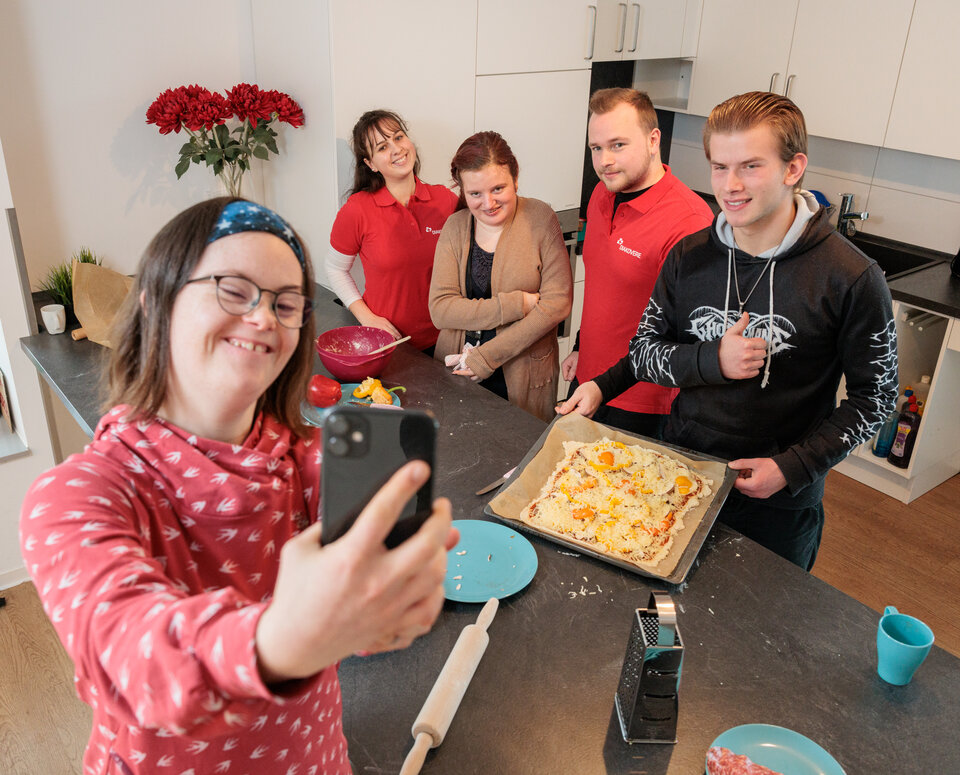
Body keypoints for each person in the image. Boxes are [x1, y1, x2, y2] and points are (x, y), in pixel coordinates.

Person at [19, 198, 457, 774]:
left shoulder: (310, 467)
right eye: (233, 289)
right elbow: (128, 657)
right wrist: (279, 640)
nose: (263, 318)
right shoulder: (78, 495)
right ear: (156, 306)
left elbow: (360, 624)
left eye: (285, 303)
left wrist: (388, 602)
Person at [560, 91, 898, 570]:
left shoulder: (852, 277)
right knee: (666, 612)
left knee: (759, 637)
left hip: (778, 504)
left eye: (751, 166)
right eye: (720, 167)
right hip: (681, 473)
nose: (731, 185)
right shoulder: (690, 256)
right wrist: (699, 362)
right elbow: (645, 352)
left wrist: (794, 467)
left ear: (793, 168)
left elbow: (877, 398)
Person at [561, 87, 714, 438]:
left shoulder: (689, 222)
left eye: (618, 145)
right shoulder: (603, 193)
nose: (604, 161)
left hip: (642, 400)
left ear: (652, 139)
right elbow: (606, 290)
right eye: (596, 148)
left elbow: (685, 334)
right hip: (587, 380)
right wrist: (581, 346)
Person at [429, 131, 572, 422]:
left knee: (521, 456)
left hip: (523, 373)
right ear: (462, 191)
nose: (488, 203)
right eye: (475, 194)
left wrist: (486, 356)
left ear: (515, 179)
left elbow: (556, 304)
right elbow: (440, 310)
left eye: (498, 189)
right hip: (457, 368)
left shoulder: (541, 218)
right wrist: (517, 304)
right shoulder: (455, 227)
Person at [327, 109, 458, 353]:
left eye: (398, 137)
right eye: (382, 147)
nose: (396, 149)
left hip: (446, 342)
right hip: (387, 344)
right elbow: (335, 268)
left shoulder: (446, 201)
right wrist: (367, 318)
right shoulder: (357, 210)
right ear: (370, 164)